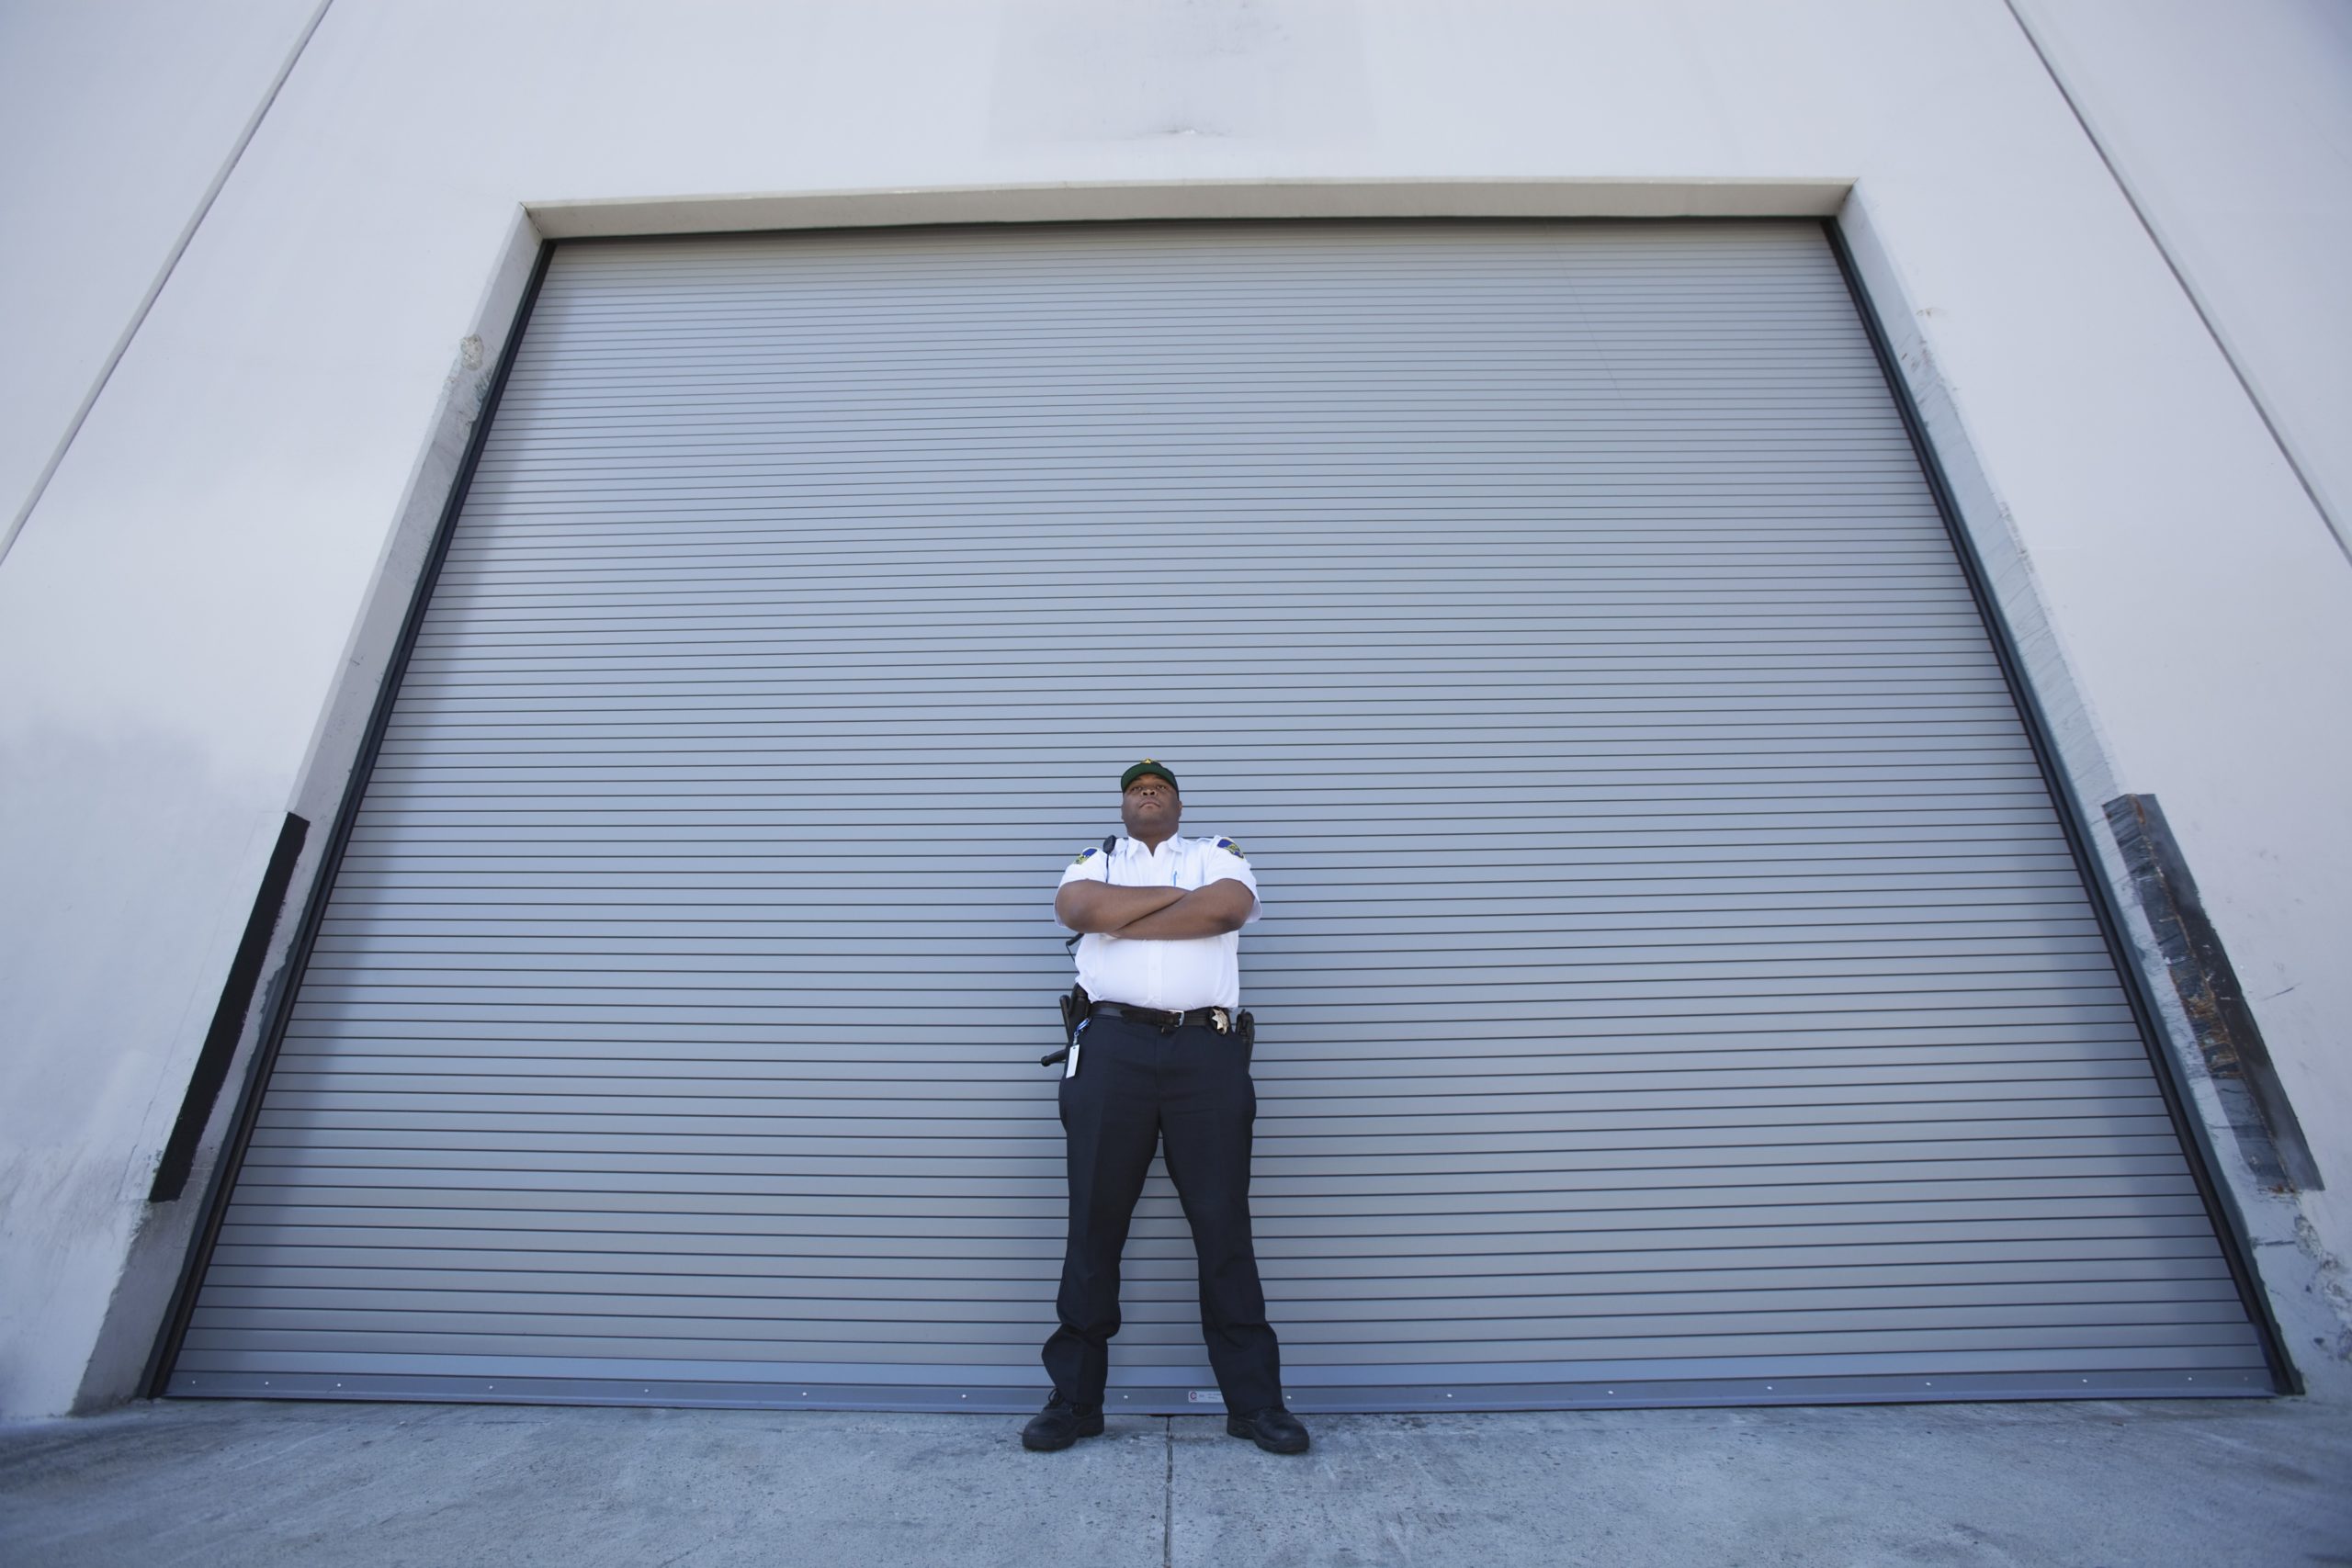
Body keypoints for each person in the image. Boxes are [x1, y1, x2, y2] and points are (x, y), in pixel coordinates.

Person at [1021, 760, 1310, 1455]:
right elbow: (1077, 911)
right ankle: (1076, 1401)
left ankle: (1255, 1403)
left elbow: (1227, 908)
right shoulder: (1095, 858)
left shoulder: (1217, 853)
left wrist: (1125, 916)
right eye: (1135, 788)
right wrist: (1174, 905)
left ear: (1178, 804)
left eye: (1159, 787)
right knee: (1093, 1221)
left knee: (1222, 1224)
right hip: (1110, 1047)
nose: (1147, 793)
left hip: (1203, 1051)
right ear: (1124, 806)